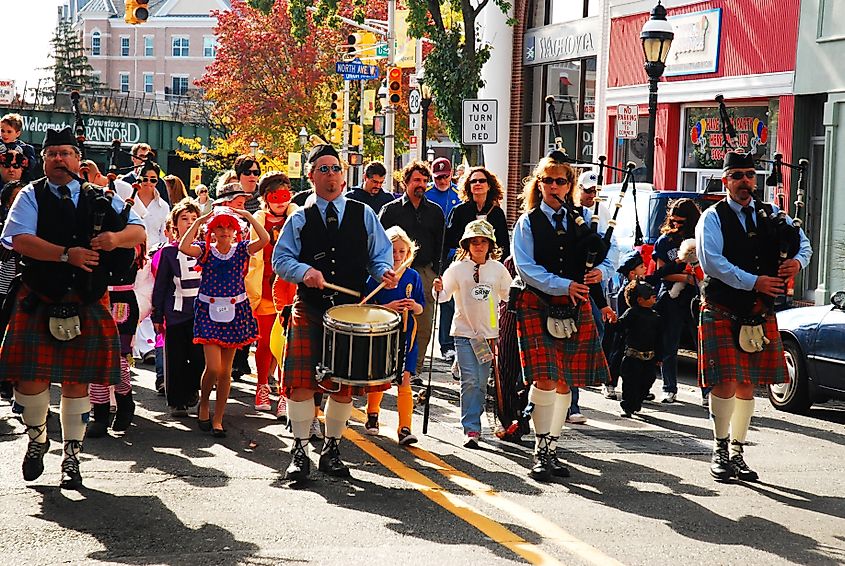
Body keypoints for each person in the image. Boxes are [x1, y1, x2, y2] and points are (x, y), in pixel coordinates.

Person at [0, 126, 145, 489]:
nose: (59, 159)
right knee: (30, 383)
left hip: (85, 299)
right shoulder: (30, 195)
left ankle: (71, 457)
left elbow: (139, 231)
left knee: (76, 383)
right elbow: (19, 240)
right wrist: (68, 255)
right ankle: (36, 440)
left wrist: (115, 238)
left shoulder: (101, 197)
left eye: (66, 153)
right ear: (44, 160)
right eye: (52, 154)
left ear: (79, 160)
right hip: (39, 295)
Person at [273, 144, 397, 481]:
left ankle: (331, 448)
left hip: (349, 312)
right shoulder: (299, 217)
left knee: (342, 385)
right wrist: (303, 272)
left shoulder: (363, 214)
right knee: (300, 385)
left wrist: (383, 272)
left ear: (343, 177)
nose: (331, 175)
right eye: (323, 169)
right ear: (311, 176)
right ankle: (299, 451)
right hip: (310, 308)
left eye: (335, 169)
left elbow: (379, 255)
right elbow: (280, 260)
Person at [696, 150, 811, 483]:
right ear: (725, 180)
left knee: (747, 385)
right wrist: (754, 281)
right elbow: (712, 263)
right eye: (737, 176)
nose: (745, 181)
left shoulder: (772, 213)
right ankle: (719, 449)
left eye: (749, 174)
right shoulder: (713, 217)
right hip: (722, 307)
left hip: (759, 311)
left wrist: (798, 262)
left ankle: (737, 451)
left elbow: (804, 244)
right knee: (726, 382)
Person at [511, 154, 610, 481]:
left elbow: (614, 257)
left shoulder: (582, 220)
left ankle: (552, 447)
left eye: (561, 181)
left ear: (569, 186)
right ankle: (540, 450)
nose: (554, 186)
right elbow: (526, 268)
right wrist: (563, 284)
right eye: (548, 180)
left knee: (566, 379)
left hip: (575, 305)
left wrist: (599, 272)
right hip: (539, 303)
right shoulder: (527, 222)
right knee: (545, 379)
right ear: (539, 184)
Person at [179, 205, 270, 438]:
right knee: (214, 366)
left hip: (235, 310)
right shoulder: (205, 250)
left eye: (229, 227)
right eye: (219, 227)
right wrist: (199, 221)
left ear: (235, 231)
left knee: (226, 371)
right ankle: (204, 404)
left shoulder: (241, 249)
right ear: (212, 230)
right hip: (209, 310)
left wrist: (248, 216)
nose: (224, 231)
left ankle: (218, 417)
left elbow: (265, 239)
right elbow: (183, 246)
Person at [434, 220, 511, 448]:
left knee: (480, 382)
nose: (479, 246)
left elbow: (508, 295)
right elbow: (443, 297)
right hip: (464, 332)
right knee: (470, 379)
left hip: (487, 336)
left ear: (490, 244)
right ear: (467, 244)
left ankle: (475, 420)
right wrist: (437, 288)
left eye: (483, 242)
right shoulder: (457, 269)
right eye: (474, 242)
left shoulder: (498, 270)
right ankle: (471, 428)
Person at [363, 226, 425, 445]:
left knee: (405, 379)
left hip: (407, 336)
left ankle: (405, 427)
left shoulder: (413, 276)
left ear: (408, 252)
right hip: (382, 334)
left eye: (402, 251)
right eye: (392, 251)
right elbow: (366, 308)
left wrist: (414, 305)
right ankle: (372, 414)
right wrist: (387, 307)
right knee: (379, 377)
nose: (397, 257)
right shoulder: (376, 277)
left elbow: (421, 308)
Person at [379, 161, 444, 367]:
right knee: (391, 319)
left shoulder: (435, 211)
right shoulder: (390, 211)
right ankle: (388, 365)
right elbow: (379, 243)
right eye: (417, 180)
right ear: (406, 181)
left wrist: (437, 272)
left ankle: (415, 368)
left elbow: (441, 244)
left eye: (425, 181)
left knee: (423, 322)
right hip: (395, 272)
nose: (421, 185)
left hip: (425, 272)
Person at [245, 172, 297, 412]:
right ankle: (262, 386)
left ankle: (285, 392)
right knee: (265, 342)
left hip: (290, 291)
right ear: (266, 198)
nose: (281, 201)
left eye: (285, 196)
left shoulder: (298, 219)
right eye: (275, 197)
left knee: (287, 343)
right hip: (264, 290)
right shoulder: (258, 222)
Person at [151, 200, 204, 417]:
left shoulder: (204, 249)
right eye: (184, 219)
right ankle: (176, 400)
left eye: (194, 219)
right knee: (176, 358)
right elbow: (161, 285)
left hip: (201, 315)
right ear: (174, 224)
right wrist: (157, 314)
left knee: (200, 358)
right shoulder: (168, 253)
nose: (189, 223)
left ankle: (193, 388)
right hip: (175, 314)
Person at [652, 198, 702, 405]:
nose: (676, 225)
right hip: (671, 297)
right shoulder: (664, 241)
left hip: (697, 297)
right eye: (673, 221)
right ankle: (669, 388)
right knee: (669, 344)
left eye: (681, 222)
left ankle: (707, 391)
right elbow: (660, 273)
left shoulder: (701, 238)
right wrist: (686, 277)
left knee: (702, 345)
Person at [425, 157, 461, 362]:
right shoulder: (427, 193)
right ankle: (435, 343)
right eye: (438, 177)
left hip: (451, 254)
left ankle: (447, 344)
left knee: (450, 301)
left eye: (445, 177)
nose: (442, 181)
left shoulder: (458, 194)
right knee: (434, 300)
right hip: (432, 254)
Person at [616, 279, 662, 417]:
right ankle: (628, 406)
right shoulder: (631, 313)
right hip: (632, 357)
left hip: (649, 357)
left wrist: (659, 356)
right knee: (630, 383)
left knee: (648, 380)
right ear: (640, 300)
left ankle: (638, 400)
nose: (654, 297)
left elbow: (659, 338)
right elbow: (620, 327)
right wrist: (613, 321)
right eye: (650, 295)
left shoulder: (656, 316)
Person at [1, 113, 38, 180]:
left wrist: (25, 161)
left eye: (9, 132)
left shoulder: (25, 148)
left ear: (17, 133)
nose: (5, 134)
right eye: (2, 131)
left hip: (18, 181)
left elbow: (33, 164)